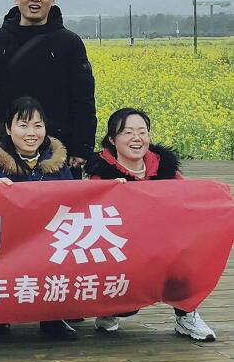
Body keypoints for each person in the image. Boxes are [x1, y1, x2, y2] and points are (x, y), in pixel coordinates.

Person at [87, 108, 215, 342]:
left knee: (189, 261)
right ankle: (109, 311)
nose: (136, 138)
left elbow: (186, 204)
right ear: (112, 139)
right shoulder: (101, 175)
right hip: (122, 252)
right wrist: (111, 192)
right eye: (127, 132)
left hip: (162, 248)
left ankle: (187, 315)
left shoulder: (166, 170)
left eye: (142, 132)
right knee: (125, 305)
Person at [0, 0, 96, 177]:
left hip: (58, 152)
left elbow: (83, 99)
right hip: (4, 150)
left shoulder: (70, 42)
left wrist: (82, 147)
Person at [0, 96, 79, 340]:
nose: (31, 133)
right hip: (6, 239)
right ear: (9, 129)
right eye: (23, 125)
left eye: (37, 125)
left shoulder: (57, 162)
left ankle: (53, 316)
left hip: (47, 237)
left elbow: (75, 198)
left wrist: (113, 190)